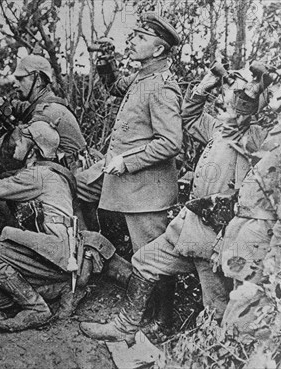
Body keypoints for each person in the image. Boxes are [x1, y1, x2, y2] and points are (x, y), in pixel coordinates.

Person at [80, 62, 275, 344]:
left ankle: (216, 351)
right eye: (231, 87)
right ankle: (126, 326)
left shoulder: (254, 135)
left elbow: (264, 130)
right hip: (191, 225)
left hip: (219, 236)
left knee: (217, 306)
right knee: (144, 261)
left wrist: (251, 90)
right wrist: (202, 88)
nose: (232, 92)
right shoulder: (220, 128)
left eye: (241, 89)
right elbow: (189, 118)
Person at [75, 12, 183, 342]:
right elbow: (113, 88)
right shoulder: (142, 77)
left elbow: (171, 142)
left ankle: (162, 322)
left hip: (147, 190)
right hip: (134, 187)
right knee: (146, 253)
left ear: (159, 49)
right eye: (133, 35)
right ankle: (147, 311)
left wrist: (128, 162)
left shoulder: (162, 87)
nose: (132, 41)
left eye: (140, 38)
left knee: (156, 256)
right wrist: (105, 62)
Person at [218, 58, 281, 340]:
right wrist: (254, 87)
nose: (275, 89)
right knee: (238, 314)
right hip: (248, 233)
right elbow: (234, 123)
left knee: (249, 323)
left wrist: (276, 268)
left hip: (267, 240)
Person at [0, 122, 85, 332]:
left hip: (53, 254)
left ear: (33, 150)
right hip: (65, 259)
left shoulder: (37, 176)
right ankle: (60, 289)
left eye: (22, 140)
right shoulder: (56, 174)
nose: (16, 142)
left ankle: (37, 309)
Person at [0, 54, 89, 174]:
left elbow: (17, 150)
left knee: (4, 177)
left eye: (21, 79)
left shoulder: (47, 112)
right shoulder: (47, 103)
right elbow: (23, 108)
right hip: (68, 172)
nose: (15, 85)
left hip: (72, 179)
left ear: (38, 80)